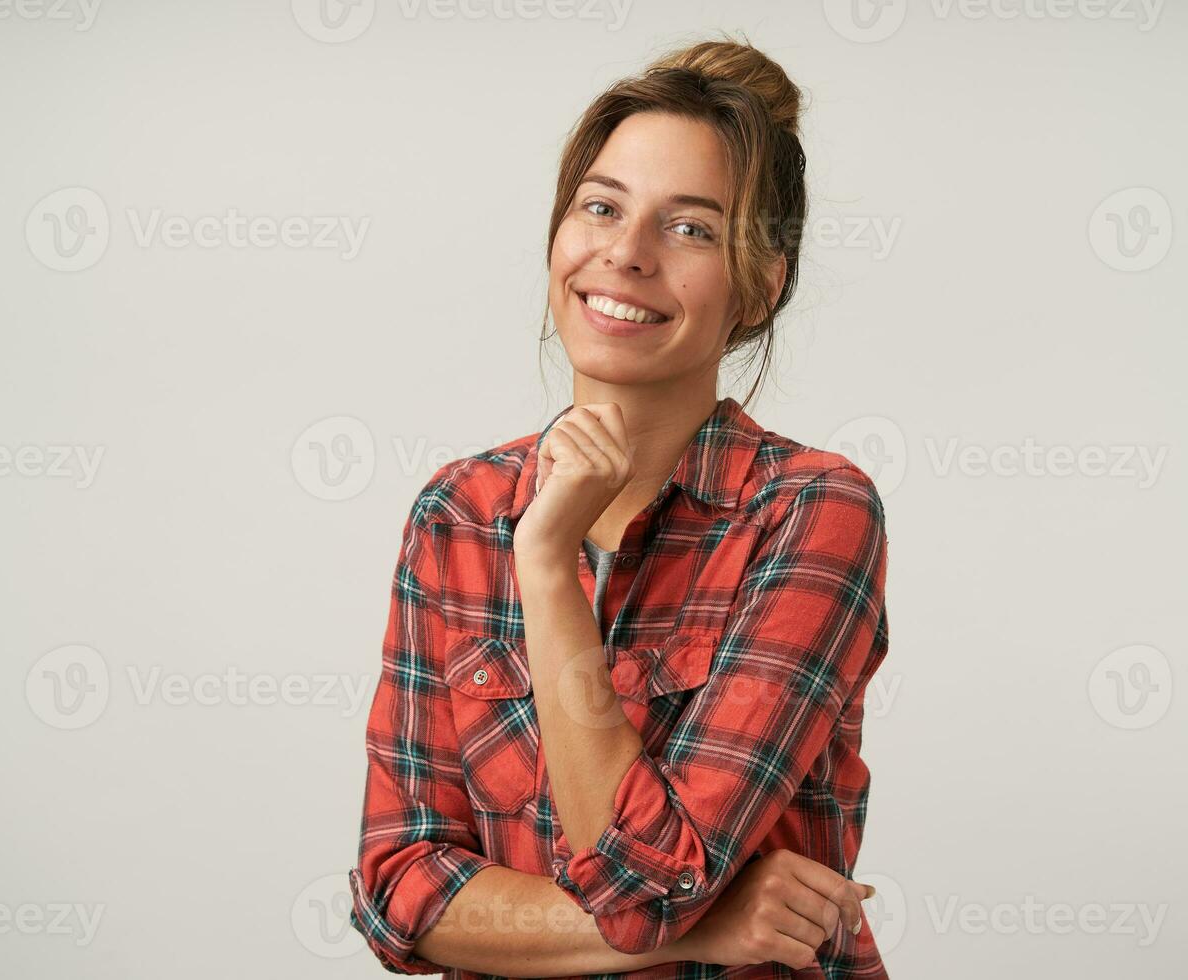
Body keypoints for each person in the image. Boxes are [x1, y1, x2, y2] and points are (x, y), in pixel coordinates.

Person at [348, 33, 891, 978]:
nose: (625, 255)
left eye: (690, 229)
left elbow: (648, 888)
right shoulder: (459, 513)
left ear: (762, 284)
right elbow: (400, 890)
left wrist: (549, 562)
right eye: (601, 208)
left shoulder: (810, 513)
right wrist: (712, 924)